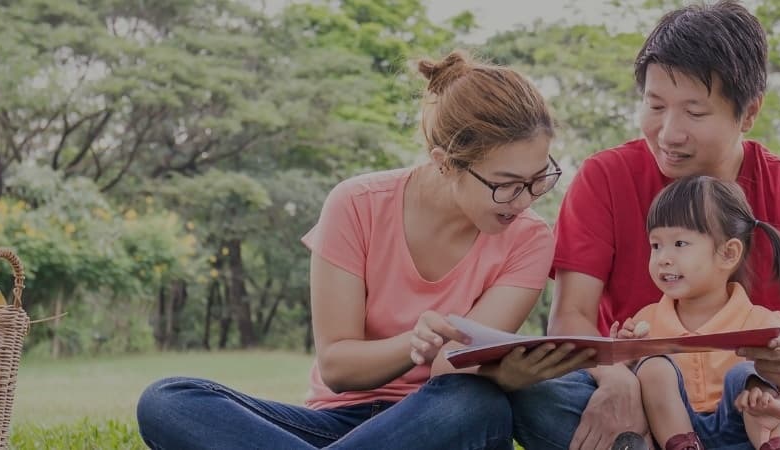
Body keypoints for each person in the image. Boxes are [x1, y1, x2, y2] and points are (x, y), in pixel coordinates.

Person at [508, 2, 780, 450]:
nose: (669, 133)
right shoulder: (605, 177)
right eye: (655, 105)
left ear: (748, 113)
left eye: (695, 112)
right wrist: (617, 381)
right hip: (646, 404)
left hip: (760, 406)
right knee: (530, 385)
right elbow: (571, 318)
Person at [136, 50, 594, 450]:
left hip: (440, 419)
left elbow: (451, 370)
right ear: (445, 164)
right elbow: (337, 365)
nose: (526, 199)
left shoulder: (529, 238)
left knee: (474, 403)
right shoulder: (356, 204)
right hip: (336, 425)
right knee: (169, 400)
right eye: (507, 186)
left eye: (539, 179)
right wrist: (412, 342)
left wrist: (504, 377)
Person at [614, 176, 780, 450]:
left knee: (746, 374)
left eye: (680, 244)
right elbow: (622, 385)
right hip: (671, 432)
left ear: (729, 253)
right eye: (656, 245)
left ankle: (777, 445)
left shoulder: (764, 323)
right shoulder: (646, 320)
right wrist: (623, 355)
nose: (663, 258)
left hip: (744, 431)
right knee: (653, 366)